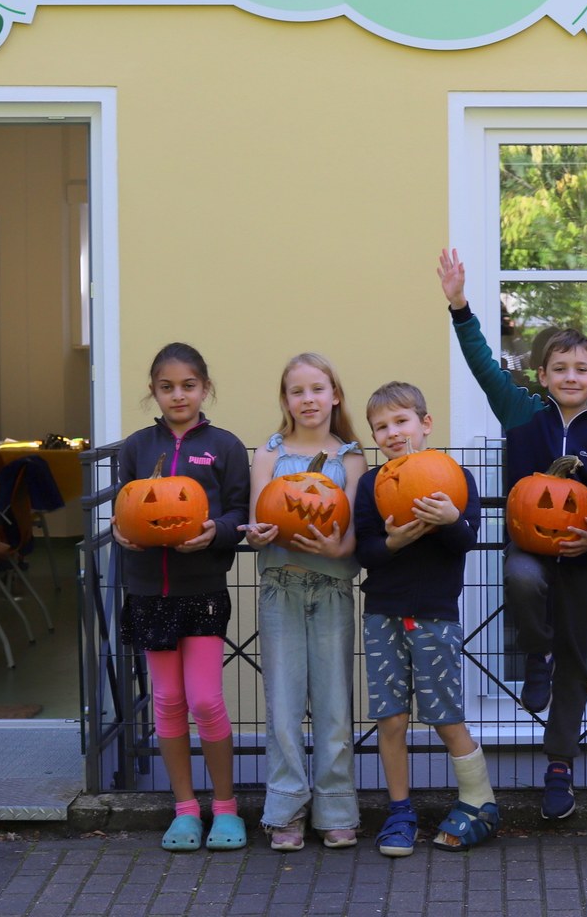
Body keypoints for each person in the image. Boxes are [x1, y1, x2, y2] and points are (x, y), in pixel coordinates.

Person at [437, 248, 587, 820]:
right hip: (531, 545)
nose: (570, 377)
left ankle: (559, 764)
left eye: (581, 369)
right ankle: (534, 652)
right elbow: (482, 365)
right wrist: (460, 307)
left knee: (579, 658)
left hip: (583, 558)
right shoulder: (521, 413)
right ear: (543, 375)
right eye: (559, 369)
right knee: (519, 577)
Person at [112, 343, 250, 852]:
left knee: (207, 700)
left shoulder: (226, 446)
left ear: (204, 388)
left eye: (188, 385)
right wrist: (122, 532)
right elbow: (127, 508)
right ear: (154, 391)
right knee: (167, 701)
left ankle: (227, 807)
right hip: (149, 591)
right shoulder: (135, 448)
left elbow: (241, 514)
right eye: (167, 387)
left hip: (203, 592)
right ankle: (185, 809)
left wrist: (216, 531)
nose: (178, 395)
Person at [353, 381, 497, 856]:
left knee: (444, 715)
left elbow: (465, 541)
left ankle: (479, 801)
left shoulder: (452, 475)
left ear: (425, 424)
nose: (393, 432)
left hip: (435, 615)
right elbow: (366, 550)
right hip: (382, 613)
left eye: (402, 421)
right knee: (390, 719)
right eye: (382, 426)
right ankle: (400, 812)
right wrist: (393, 541)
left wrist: (450, 516)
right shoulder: (372, 484)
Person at [240, 353, 366, 851]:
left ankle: (336, 809)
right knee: (284, 707)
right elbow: (257, 525)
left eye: (318, 389)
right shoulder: (268, 456)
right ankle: (286, 809)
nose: (308, 399)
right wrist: (257, 534)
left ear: (335, 395)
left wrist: (338, 547)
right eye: (298, 391)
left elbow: (353, 534)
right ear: (285, 401)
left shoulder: (351, 458)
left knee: (335, 706)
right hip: (281, 590)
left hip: (333, 589)